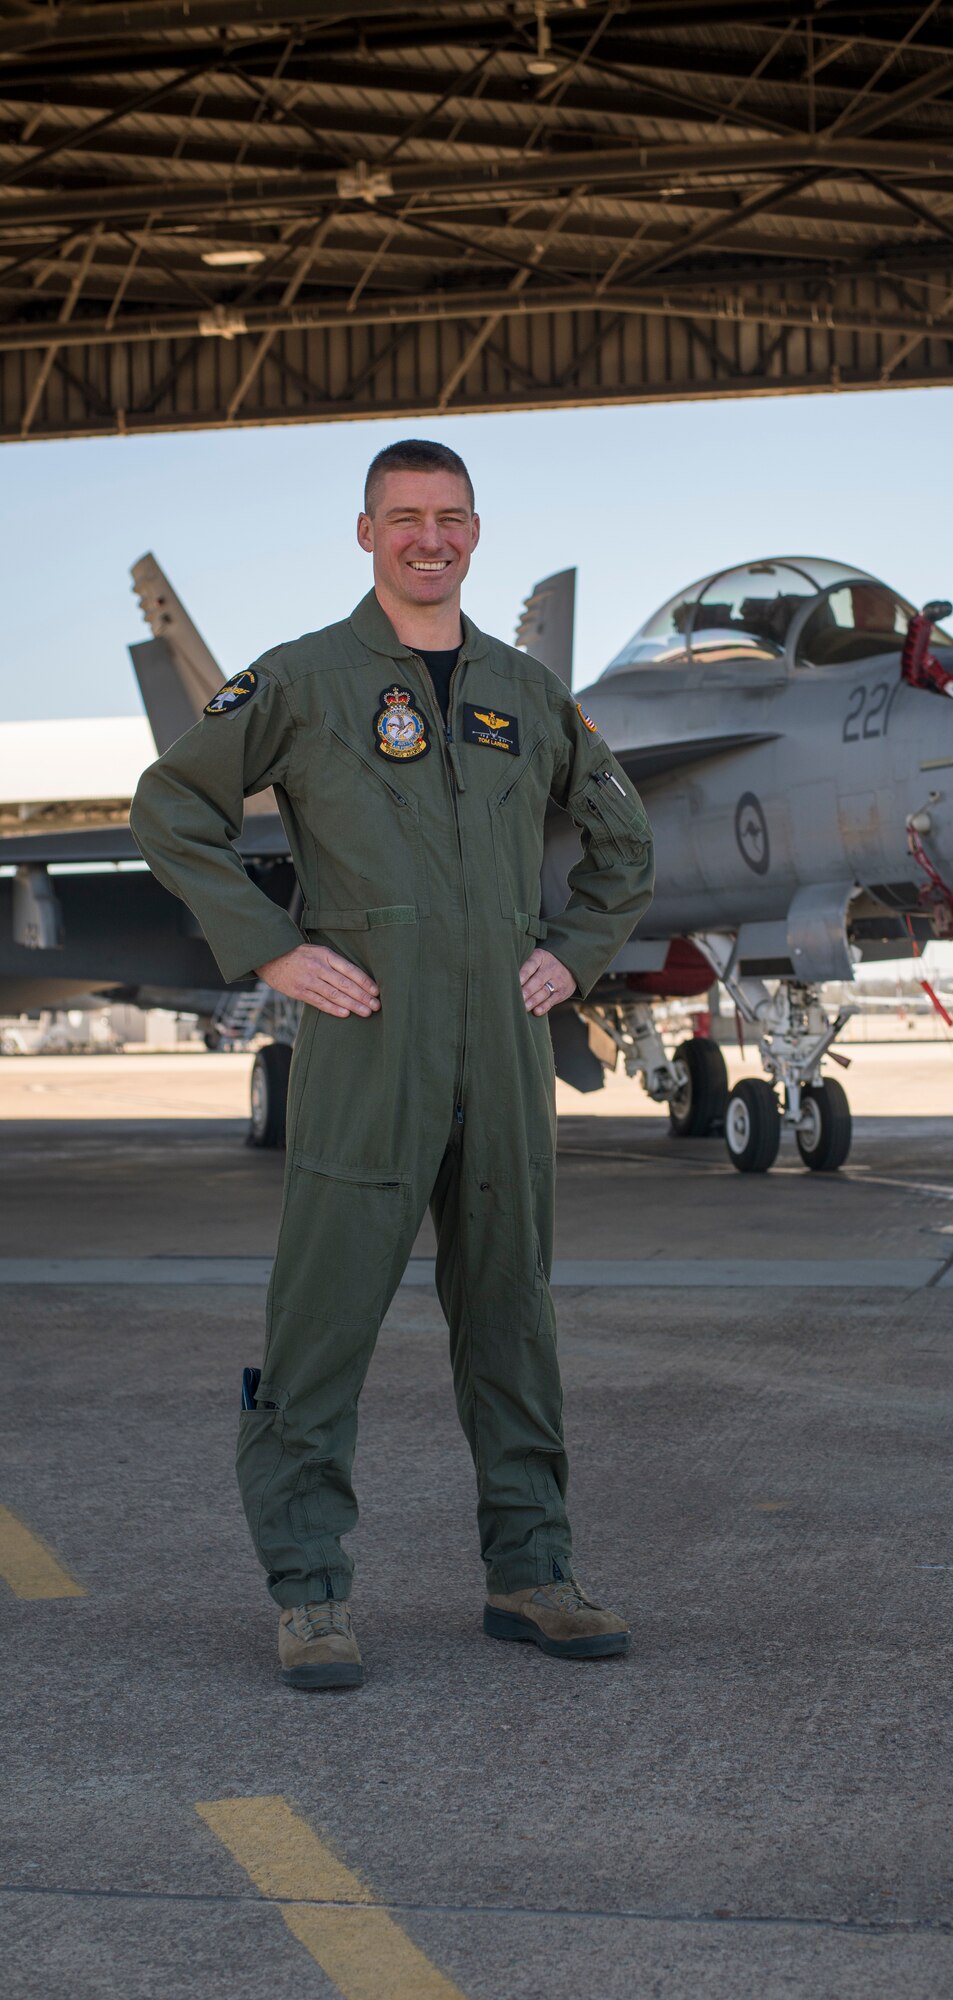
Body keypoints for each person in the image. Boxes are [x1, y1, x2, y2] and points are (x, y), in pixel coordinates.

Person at [131, 439, 654, 1688]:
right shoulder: (304, 679)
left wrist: (572, 953)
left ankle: (532, 1572)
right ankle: (311, 1592)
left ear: (477, 531)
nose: (430, 538)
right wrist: (272, 951)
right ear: (365, 532)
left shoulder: (528, 691)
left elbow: (621, 840)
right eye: (404, 518)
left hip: (504, 1048)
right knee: (322, 1324)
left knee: (513, 1317)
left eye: (451, 518)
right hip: (371, 1039)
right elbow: (171, 805)